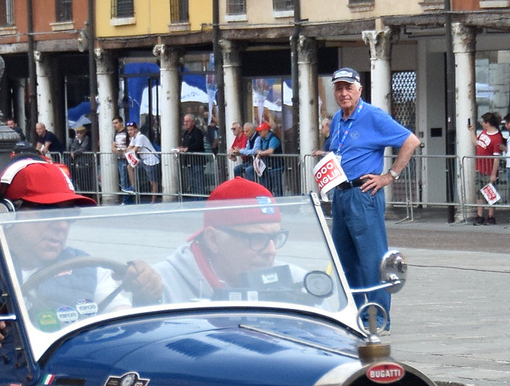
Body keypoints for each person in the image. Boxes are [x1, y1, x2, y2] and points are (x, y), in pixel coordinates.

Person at [0, 159, 163, 379]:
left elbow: (121, 331)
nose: (61, 225)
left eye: (68, 214)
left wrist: (146, 291)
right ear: (6, 213)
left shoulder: (91, 269)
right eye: (46, 212)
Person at [127, 177, 324, 305]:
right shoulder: (160, 287)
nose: (271, 251)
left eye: (274, 237)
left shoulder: (299, 281)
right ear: (213, 239)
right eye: (257, 238)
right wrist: (141, 294)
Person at [323, 68, 419, 318]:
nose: (344, 93)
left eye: (348, 88)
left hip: (363, 194)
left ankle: (376, 318)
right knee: (344, 260)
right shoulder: (337, 119)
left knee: (371, 259)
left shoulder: (373, 116)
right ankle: (353, 315)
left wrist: (390, 175)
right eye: (339, 88)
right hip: (341, 194)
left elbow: (411, 141)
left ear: (359, 90)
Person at [473, 112, 504, 225]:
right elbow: (476, 144)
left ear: (488, 123)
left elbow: (496, 158)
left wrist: (493, 173)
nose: (482, 124)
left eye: (484, 122)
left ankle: (491, 216)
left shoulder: (497, 138)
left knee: (490, 193)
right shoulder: (484, 133)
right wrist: (471, 132)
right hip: (480, 167)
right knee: (479, 192)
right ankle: (479, 215)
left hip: (488, 168)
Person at [126, 121, 160, 201]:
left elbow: (134, 149)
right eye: (128, 130)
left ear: (136, 129)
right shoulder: (134, 138)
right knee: (129, 166)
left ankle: (153, 200)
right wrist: (124, 150)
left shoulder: (140, 137)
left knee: (153, 182)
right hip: (144, 160)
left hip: (151, 160)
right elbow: (129, 148)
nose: (129, 132)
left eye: (131, 130)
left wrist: (126, 150)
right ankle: (133, 186)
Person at [179, 112, 208, 197]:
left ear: (193, 122)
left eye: (187, 121)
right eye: (184, 121)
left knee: (199, 181)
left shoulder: (197, 132)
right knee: (192, 182)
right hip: (189, 161)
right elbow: (185, 144)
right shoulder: (185, 133)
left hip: (197, 161)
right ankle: (195, 198)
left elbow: (199, 144)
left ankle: (201, 199)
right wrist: (181, 148)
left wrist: (187, 149)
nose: (185, 123)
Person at [111, 116, 134, 202]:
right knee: (123, 178)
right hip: (119, 157)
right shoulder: (116, 134)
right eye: (113, 123)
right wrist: (115, 149)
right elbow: (113, 146)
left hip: (126, 157)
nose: (114, 125)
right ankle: (126, 199)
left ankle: (126, 200)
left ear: (121, 123)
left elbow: (131, 143)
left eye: (116, 123)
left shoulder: (126, 132)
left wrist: (124, 150)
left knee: (124, 179)